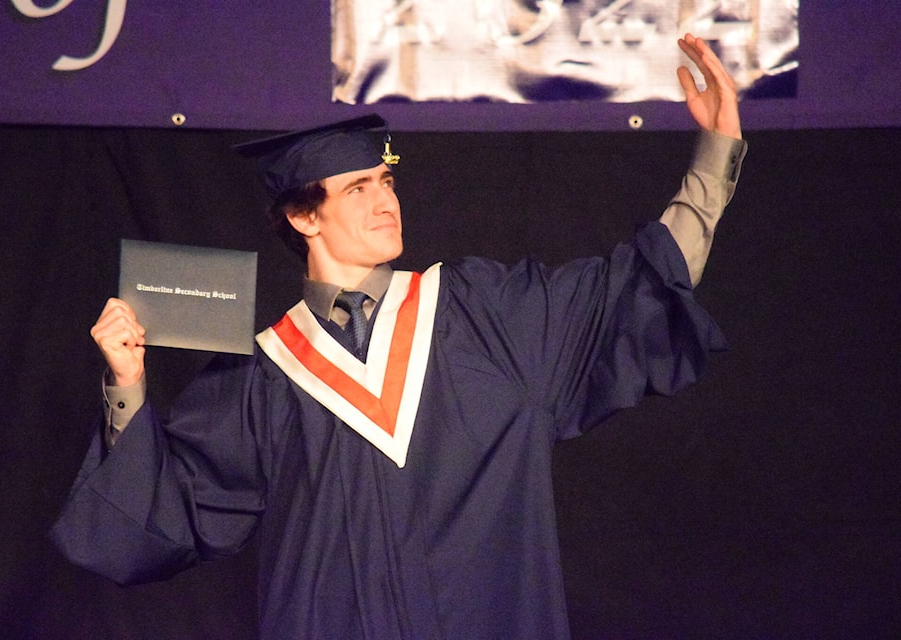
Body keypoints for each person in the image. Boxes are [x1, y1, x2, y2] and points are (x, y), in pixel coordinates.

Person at [51, 34, 746, 639]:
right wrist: (127, 383)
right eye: (357, 189)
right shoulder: (263, 377)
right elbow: (157, 521)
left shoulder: (484, 315)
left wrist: (715, 158)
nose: (386, 200)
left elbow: (641, 287)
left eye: (386, 180)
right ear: (304, 218)